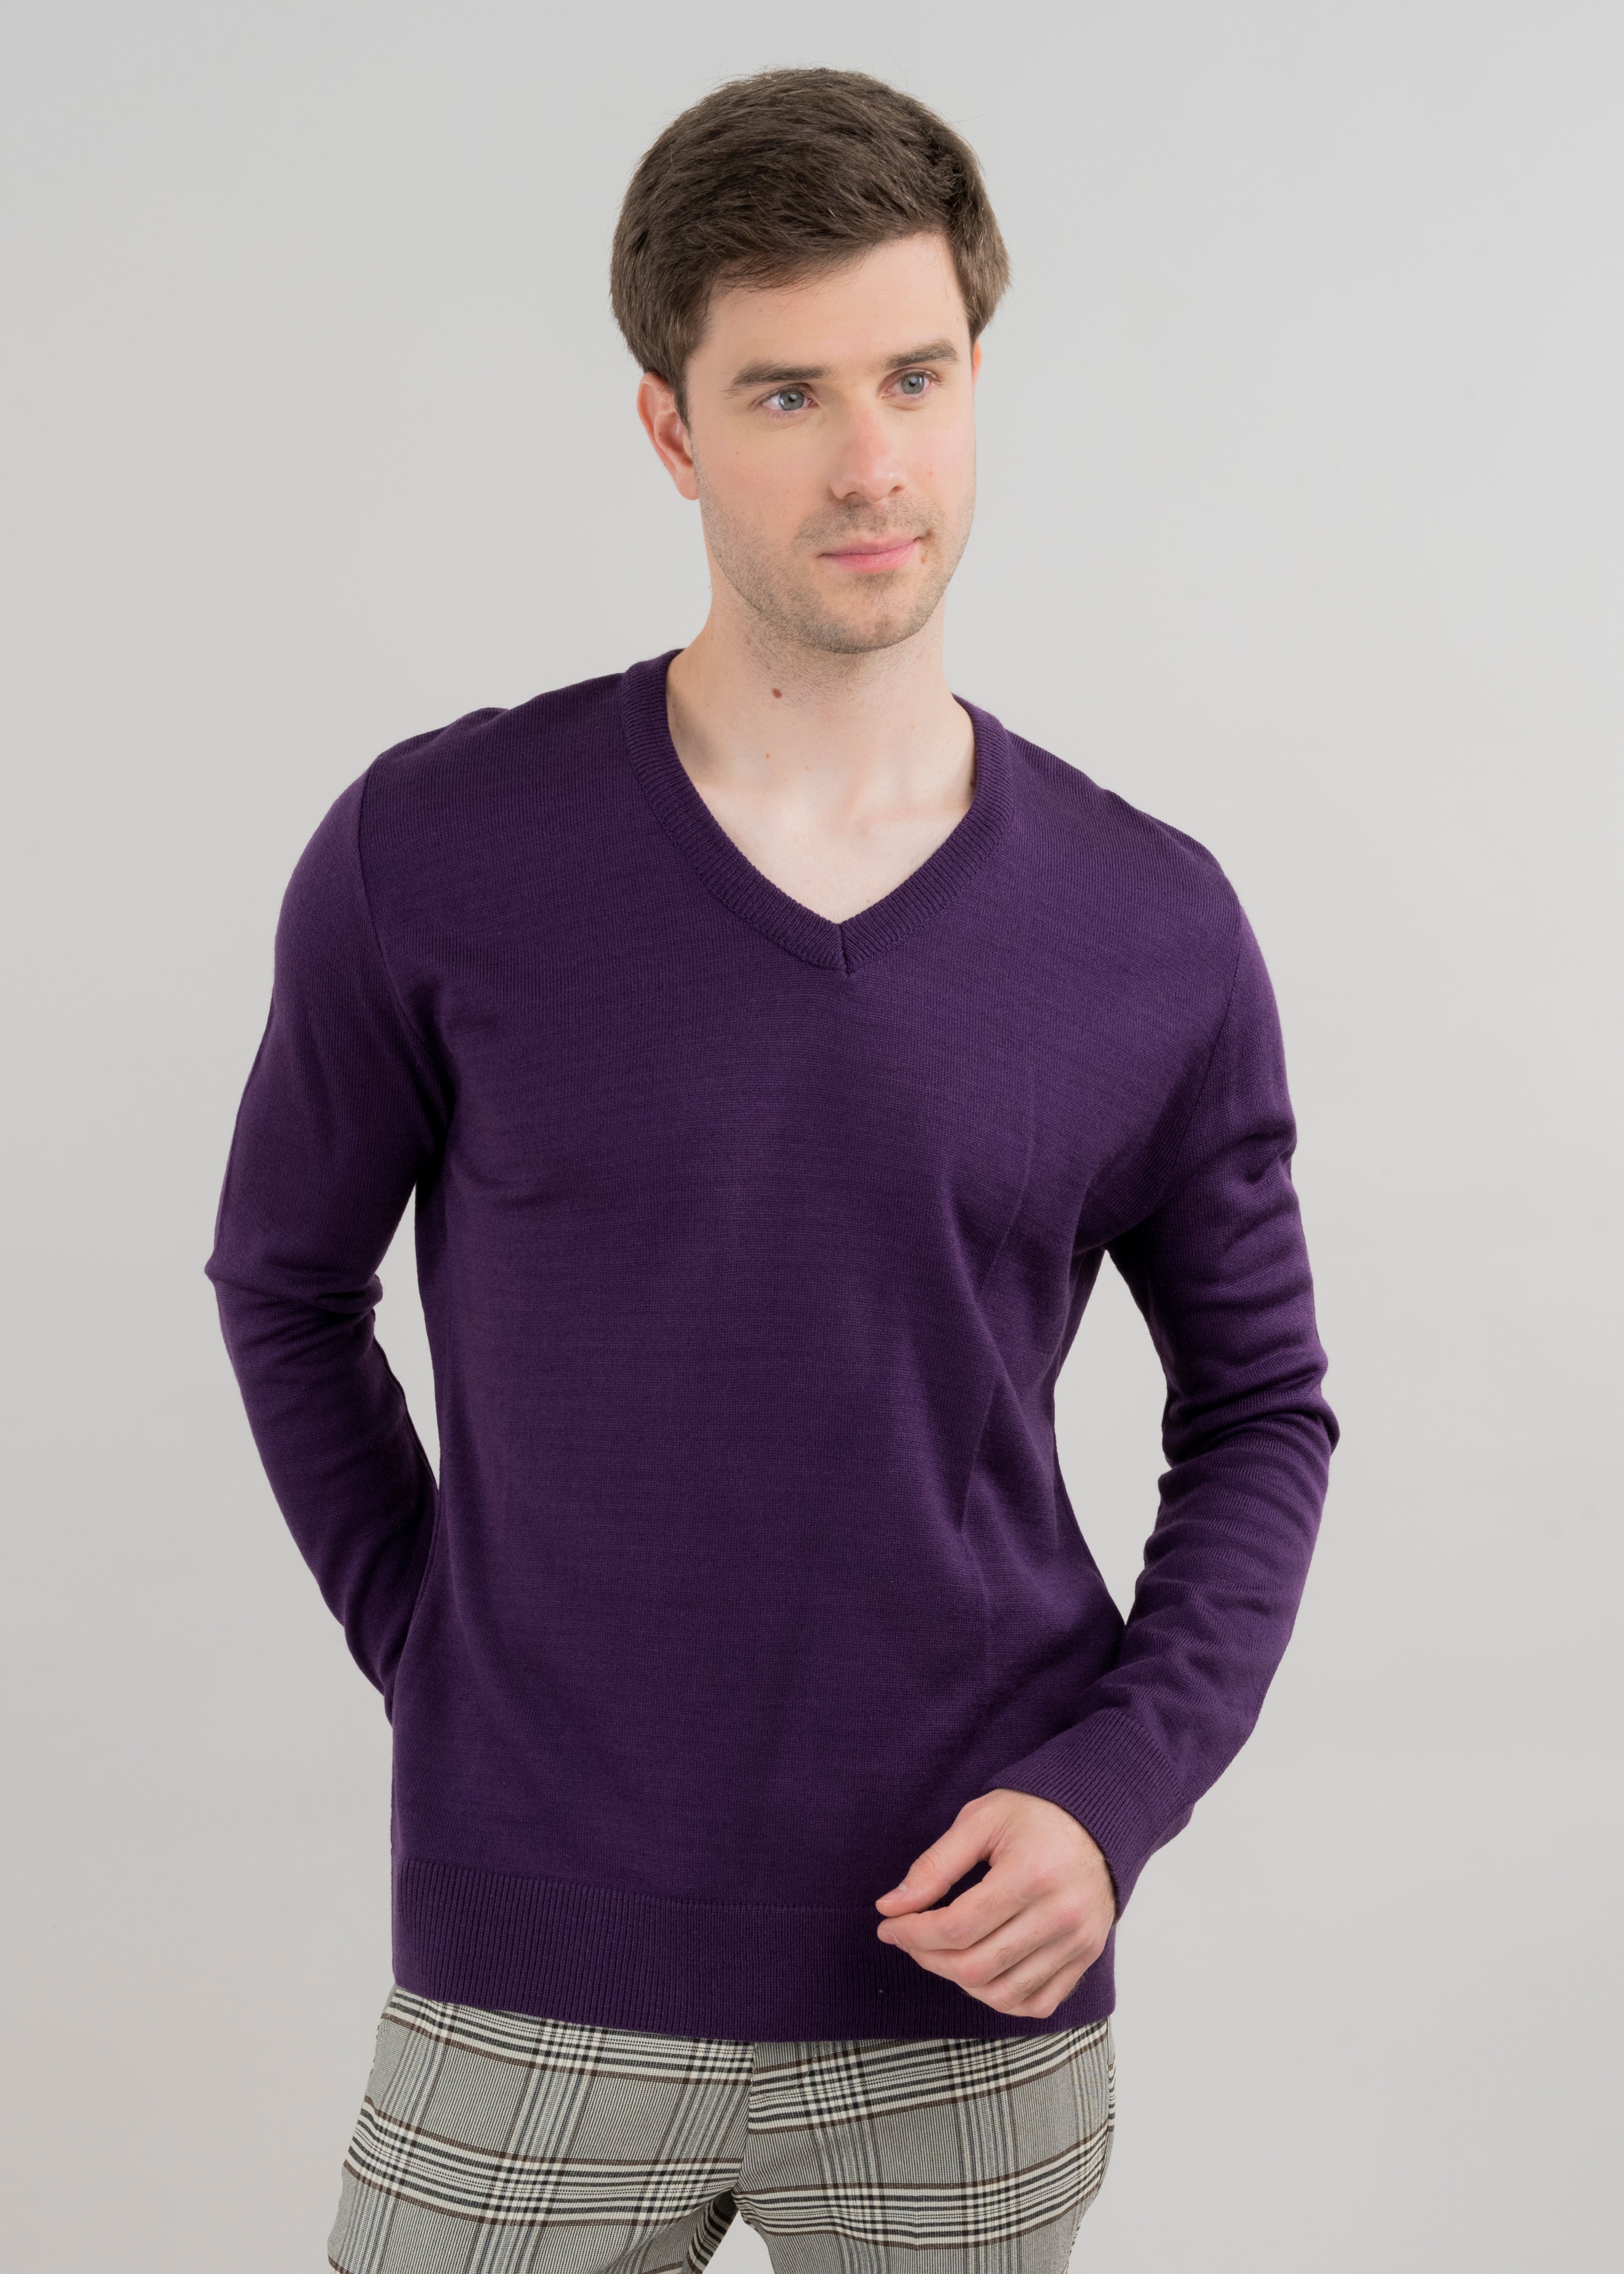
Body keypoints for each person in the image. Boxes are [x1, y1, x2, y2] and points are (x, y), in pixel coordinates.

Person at [206, 65, 1337, 2274]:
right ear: (669, 428)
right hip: (529, 1972)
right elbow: (282, 1284)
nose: (869, 460)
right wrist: (439, 1646)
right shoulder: (435, 851)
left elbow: (1262, 1410)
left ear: (978, 379)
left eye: (914, 376)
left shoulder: (1150, 924)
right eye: (787, 393)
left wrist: (1116, 1791)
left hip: (966, 1991)